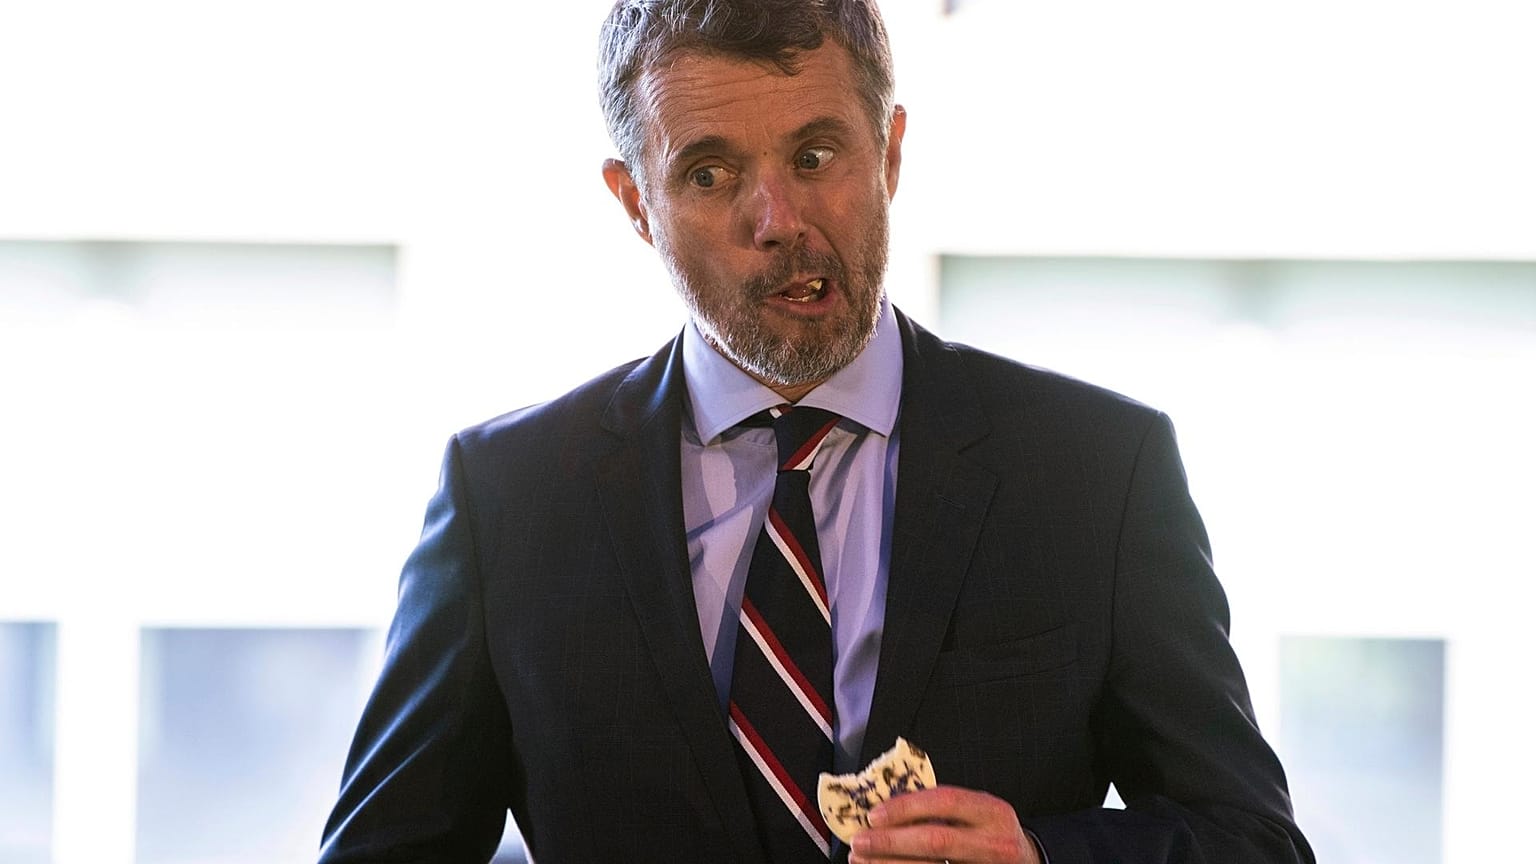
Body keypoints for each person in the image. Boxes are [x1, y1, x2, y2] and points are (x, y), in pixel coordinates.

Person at [320, 1, 1313, 862]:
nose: (780, 219)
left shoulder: (1098, 472)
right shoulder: (508, 499)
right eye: (709, 175)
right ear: (636, 204)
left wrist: (1044, 855)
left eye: (815, 154)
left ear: (888, 151)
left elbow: (1254, 840)